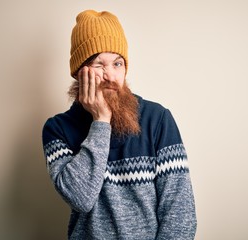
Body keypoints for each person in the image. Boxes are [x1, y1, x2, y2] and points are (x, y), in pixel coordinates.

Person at [42, 9, 197, 239]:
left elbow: (180, 216)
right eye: (98, 64)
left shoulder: (157, 119)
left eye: (117, 63)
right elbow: (81, 198)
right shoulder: (57, 129)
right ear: (79, 72)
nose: (111, 76)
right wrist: (101, 121)